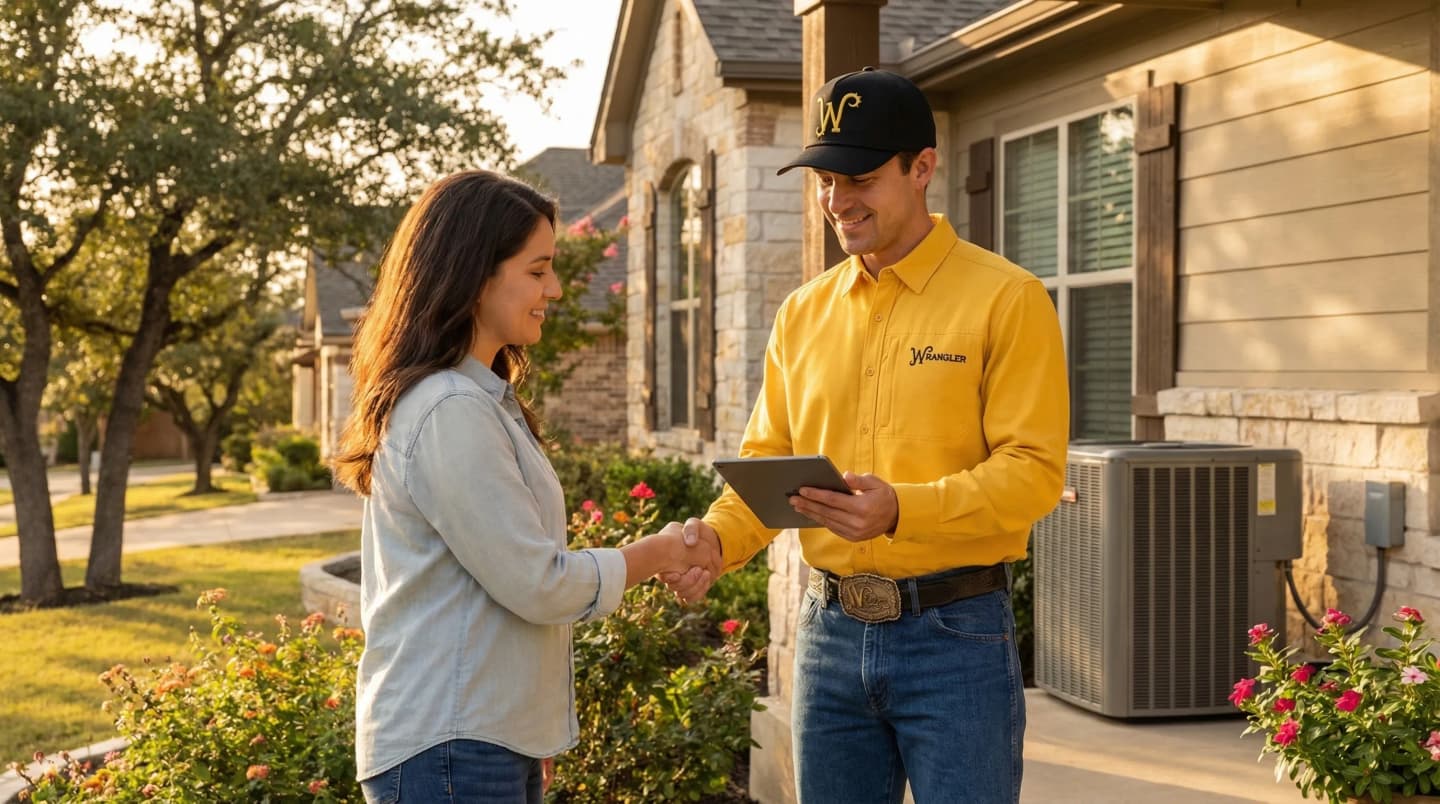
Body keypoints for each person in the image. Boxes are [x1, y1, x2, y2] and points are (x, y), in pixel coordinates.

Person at [663, 68, 1069, 803]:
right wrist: (717, 544)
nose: (837, 201)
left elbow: (1033, 473)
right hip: (829, 636)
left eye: (859, 177)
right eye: (824, 179)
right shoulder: (802, 314)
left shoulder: (1008, 299)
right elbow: (768, 466)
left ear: (922, 169)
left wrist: (903, 508)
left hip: (958, 640)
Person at [332, 170, 717, 804]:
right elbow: (538, 583)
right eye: (537, 271)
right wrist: (663, 552)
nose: (555, 290)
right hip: (450, 744)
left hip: (478, 737)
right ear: (476, 274)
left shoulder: (480, 399)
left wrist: (523, 734)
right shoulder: (449, 408)